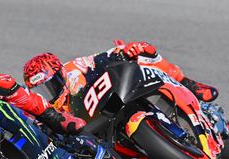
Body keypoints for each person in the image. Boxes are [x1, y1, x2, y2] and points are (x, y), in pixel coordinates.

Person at [21, 41, 219, 118]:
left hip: (114, 98)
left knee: (143, 55)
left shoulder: (74, 68)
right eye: (41, 89)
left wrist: (125, 51)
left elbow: (104, 56)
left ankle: (186, 83)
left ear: (61, 74)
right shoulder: (42, 107)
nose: (49, 93)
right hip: (97, 130)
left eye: (51, 84)